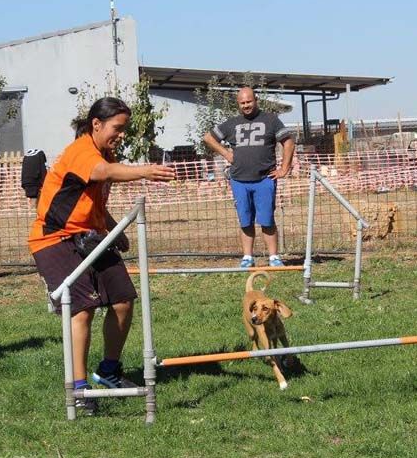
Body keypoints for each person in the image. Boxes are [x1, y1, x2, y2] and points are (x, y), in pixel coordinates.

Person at [28, 96, 174, 415]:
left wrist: (113, 229)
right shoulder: (83, 151)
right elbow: (103, 172)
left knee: (123, 300)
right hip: (55, 239)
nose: (120, 135)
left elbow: (92, 201)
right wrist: (145, 170)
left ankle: (108, 372)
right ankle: (79, 390)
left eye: (123, 129)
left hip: (90, 236)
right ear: (96, 124)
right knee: (82, 310)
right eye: (117, 128)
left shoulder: (104, 151)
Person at [203, 86, 295, 268]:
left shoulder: (271, 120)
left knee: (267, 219)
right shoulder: (231, 123)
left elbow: (288, 142)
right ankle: (247, 257)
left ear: (256, 100)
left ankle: (274, 257)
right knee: (245, 220)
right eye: (242, 103)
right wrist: (226, 153)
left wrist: (284, 168)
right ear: (238, 104)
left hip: (265, 180)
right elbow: (208, 137)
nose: (246, 105)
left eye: (249, 101)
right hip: (238, 180)